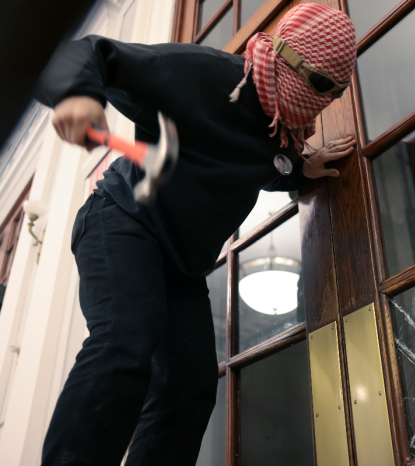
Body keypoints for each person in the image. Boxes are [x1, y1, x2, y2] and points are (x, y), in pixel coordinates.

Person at [34, 4, 356, 465]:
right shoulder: (206, 74)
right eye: (323, 85)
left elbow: (255, 165)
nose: (325, 102)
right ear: (287, 58)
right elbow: (88, 53)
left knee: (190, 387)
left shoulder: (280, 129)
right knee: (125, 342)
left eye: (338, 93)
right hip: (124, 220)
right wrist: (76, 95)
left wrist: (302, 169)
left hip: (180, 263)